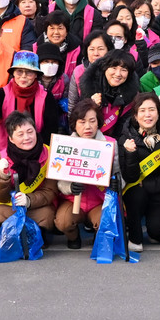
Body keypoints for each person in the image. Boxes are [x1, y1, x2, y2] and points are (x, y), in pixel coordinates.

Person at [55, 99, 121, 249]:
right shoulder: (66, 144)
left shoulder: (109, 144)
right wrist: (70, 187)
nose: (87, 127)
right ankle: (73, 237)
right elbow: (59, 181)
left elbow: (118, 174)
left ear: (98, 122)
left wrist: (115, 183)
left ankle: (99, 237)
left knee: (106, 221)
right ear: (74, 124)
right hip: (73, 201)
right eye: (82, 122)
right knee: (63, 221)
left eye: (92, 121)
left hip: (99, 199)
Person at [0, 111, 57, 243]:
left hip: (37, 205)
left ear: (36, 131)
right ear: (11, 139)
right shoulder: (2, 157)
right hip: (11, 205)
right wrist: (3, 176)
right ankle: (8, 236)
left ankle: (38, 237)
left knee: (47, 215)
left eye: (30, 132)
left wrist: (28, 200)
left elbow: (50, 192)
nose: (27, 137)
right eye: (20, 134)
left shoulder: (49, 154)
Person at [118, 92, 160, 251]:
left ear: (159, 112)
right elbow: (130, 177)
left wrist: (150, 184)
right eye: (142, 111)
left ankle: (156, 227)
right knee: (134, 194)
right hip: (137, 189)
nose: (147, 114)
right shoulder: (125, 138)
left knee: (157, 232)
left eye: (152, 109)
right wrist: (130, 154)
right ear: (135, 115)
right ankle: (134, 237)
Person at [79, 49, 139, 138]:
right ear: (105, 68)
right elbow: (77, 119)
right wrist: (91, 105)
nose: (118, 74)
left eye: (123, 70)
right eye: (114, 68)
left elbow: (124, 128)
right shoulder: (89, 87)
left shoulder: (131, 96)